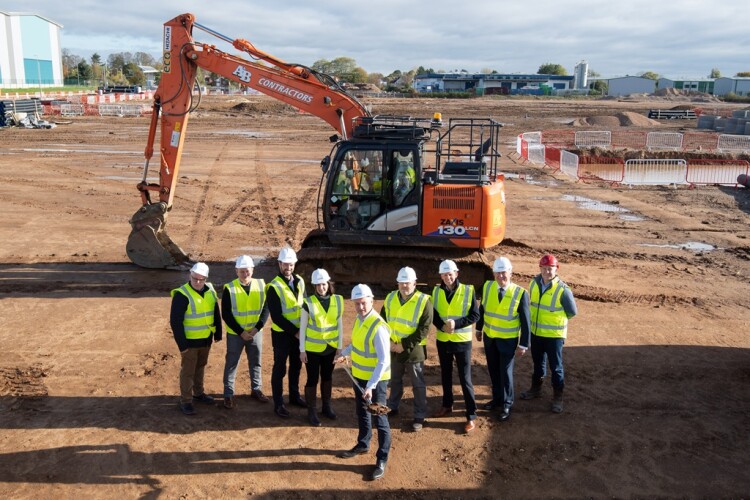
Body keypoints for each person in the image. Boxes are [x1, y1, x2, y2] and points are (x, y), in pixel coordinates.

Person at [335, 284, 391, 481]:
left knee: (380, 418)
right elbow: (357, 345)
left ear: (372, 300)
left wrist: (372, 385)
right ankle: (363, 443)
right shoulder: (359, 320)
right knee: (362, 411)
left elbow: (384, 361)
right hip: (359, 376)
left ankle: (382, 459)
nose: (360, 307)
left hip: (376, 381)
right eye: (357, 304)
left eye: (364, 303)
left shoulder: (378, 327)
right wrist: (344, 353)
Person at [520, 254, 577, 413]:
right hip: (536, 334)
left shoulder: (563, 290)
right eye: (544, 268)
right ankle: (536, 390)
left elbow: (572, 312)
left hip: (554, 337)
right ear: (540, 268)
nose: (547, 271)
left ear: (556, 269)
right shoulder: (533, 283)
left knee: (556, 367)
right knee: (538, 364)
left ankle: (558, 398)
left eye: (550, 268)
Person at [476, 256, 530, 422]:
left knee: (505, 372)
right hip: (490, 339)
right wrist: (479, 328)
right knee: (493, 369)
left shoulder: (520, 293)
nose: (501, 276)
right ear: (493, 274)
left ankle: (507, 402)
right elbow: (483, 309)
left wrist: (523, 344)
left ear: (510, 273)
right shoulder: (488, 287)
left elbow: (526, 321)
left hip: (508, 340)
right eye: (497, 273)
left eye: (504, 273)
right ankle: (497, 398)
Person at [431, 260, 481, 433]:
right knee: (445, 374)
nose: (448, 277)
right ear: (441, 276)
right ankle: (447, 405)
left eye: (450, 274)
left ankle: (471, 416)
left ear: (456, 273)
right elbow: (434, 315)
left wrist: (456, 323)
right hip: (443, 340)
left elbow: (475, 315)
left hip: (461, 341)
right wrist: (441, 325)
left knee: (465, 378)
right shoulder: (436, 292)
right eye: (444, 275)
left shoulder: (468, 290)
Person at [382, 266, 433, 432]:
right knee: (394, 380)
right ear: (398, 283)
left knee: (417, 384)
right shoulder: (390, 298)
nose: (404, 286)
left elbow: (423, 329)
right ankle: (393, 406)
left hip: (413, 350)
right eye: (402, 283)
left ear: (415, 283)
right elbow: (382, 321)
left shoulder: (424, 301)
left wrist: (402, 345)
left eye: (408, 283)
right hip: (393, 348)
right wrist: (389, 342)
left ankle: (419, 415)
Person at [169, 262, 223, 416]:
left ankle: (198, 393)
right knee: (188, 371)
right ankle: (186, 401)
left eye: (201, 279)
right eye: (195, 278)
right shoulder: (182, 294)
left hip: (206, 339)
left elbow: (215, 311)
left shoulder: (210, 290)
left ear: (206, 278)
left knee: (200, 367)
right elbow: (175, 322)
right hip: (190, 342)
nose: (198, 282)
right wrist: (182, 345)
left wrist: (218, 332)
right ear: (190, 275)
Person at [221, 255, 270, 410]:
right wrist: (241, 332)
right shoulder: (230, 288)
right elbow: (226, 314)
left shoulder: (262, 285)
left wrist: (256, 329)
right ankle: (228, 394)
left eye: (247, 271)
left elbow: (266, 309)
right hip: (236, 334)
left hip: (255, 332)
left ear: (252, 270)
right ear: (236, 271)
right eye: (242, 271)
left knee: (256, 361)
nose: (245, 274)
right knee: (231, 363)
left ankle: (256, 389)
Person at [266, 246, 307, 418]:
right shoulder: (273, 286)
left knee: (296, 366)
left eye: (291, 265)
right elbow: (277, 317)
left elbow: (304, 306)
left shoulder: (300, 281)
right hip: (282, 335)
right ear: (279, 264)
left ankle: (294, 396)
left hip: (298, 333)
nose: (288, 268)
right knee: (280, 368)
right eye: (285, 264)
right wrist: (296, 332)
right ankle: (278, 403)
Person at [299, 268, 343, 427]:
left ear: (328, 284)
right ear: (314, 286)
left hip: (330, 348)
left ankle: (326, 407)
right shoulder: (308, 302)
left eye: (323, 284)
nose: (321, 288)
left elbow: (339, 325)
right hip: (312, 349)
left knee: (327, 377)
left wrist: (339, 347)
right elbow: (303, 328)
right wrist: (302, 350)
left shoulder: (338, 300)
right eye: (318, 285)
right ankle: (312, 411)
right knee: (312, 379)